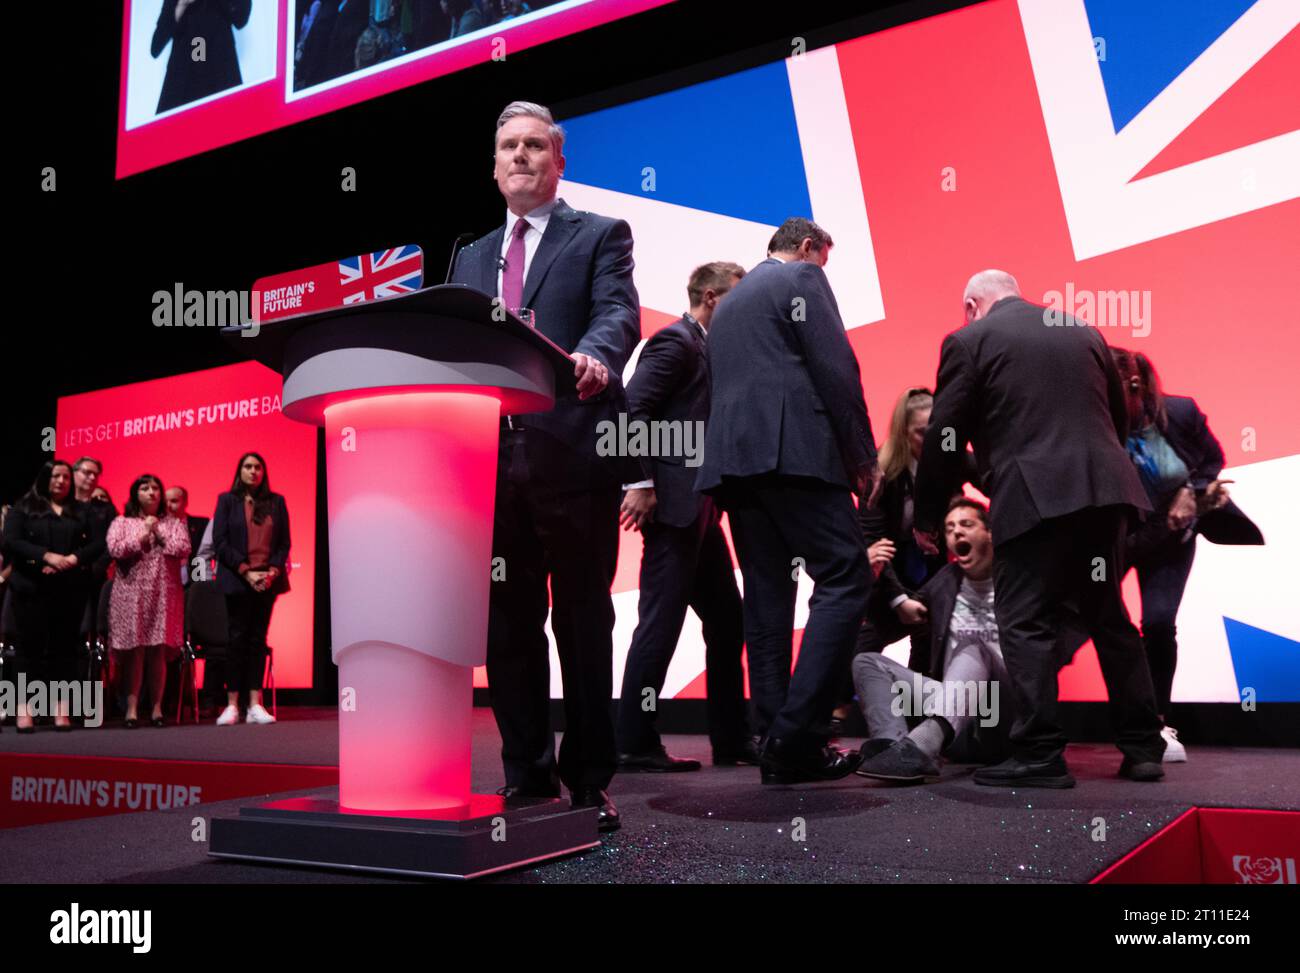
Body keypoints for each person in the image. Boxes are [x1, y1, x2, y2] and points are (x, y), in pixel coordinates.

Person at [448, 101, 640, 830]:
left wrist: (596, 355)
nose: (522, 156)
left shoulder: (599, 235)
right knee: (508, 623)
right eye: (509, 147)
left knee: (584, 619)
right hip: (489, 465)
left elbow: (617, 312)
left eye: (536, 145)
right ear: (494, 166)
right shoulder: (468, 256)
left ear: (560, 162)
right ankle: (526, 775)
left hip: (573, 450)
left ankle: (589, 778)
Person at [915, 270, 1165, 787]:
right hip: (1104, 491)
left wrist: (928, 515)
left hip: (1033, 499)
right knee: (1109, 618)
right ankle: (1143, 748)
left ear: (971, 304)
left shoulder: (969, 339)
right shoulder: (1082, 330)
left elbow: (943, 437)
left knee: (1024, 620)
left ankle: (1039, 754)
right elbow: (1117, 419)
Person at [696, 217, 882, 785]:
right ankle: (796, 732)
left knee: (768, 600)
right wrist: (862, 456)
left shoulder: (730, 302)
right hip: (795, 451)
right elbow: (835, 367)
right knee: (848, 576)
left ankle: (780, 743)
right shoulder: (800, 278)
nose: (822, 269)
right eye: (823, 258)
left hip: (736, 463)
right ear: (807, 248)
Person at [616, 261, 756, 772]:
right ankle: (631, 741)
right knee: (660, 622)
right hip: (672, 507)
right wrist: (640, 482)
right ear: (714, 298)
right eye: (738, 299)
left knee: (726, 620)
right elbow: (631, 409)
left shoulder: (706, 347)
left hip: (699, 509)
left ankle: (733, 740)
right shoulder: (675, 342)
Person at [1111, 348, 1263, 762]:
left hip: (1172, 535)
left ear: (1135, 386)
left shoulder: (1180, 413)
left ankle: (1158, 721)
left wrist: (1190, 492)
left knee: (1158, 622)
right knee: (1088, 621)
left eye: (1112, 386)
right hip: (1121, 536)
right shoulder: (1098, 420)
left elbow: (1213, 459)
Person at [1, 461, 105, 732]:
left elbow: (99, 543)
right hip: (30, 587)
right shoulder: (23, 507)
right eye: (56, 476)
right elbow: (11, 541)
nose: (62, 481)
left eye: (66, 477)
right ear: (45, 478)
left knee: (65, 651)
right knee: (28, 650)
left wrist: (72, 558)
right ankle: (25, 710)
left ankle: (62, 710)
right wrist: (45, 556)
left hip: (68, 588)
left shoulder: (81, 510)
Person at [211, 452, 291, 726]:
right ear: (240, 471)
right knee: (236, 640)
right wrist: (246, 571)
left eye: (258, 467)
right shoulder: (227, 501)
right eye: (248, 466)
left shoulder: (276, 501)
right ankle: (232, 705)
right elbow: (220, 543)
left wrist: (272, 571)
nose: (253, 471)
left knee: (257, 640)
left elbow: (284, 544)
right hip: (238, 579)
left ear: (263, 472)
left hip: (266, 582)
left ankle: (256, 704)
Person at [107, 475, 191, 728]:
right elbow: (116, 550)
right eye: (145, 488)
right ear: (136, 494)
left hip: (164, 594)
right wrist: (142, 535)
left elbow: (183, 549)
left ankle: (156, 709)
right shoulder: (121, 522)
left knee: (157, 651)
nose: (152, 493)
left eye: (156, 488)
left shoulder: (174, 523)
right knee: (135, 652)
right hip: (131, 593)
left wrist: (158, 532)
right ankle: (131, 709)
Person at [151, 0, 252, 114]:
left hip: (220, 78)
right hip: (183, 85)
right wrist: (181, 5)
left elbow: (241, 19)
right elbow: (155, 47)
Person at [166, 486, 211, 589]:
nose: (168, 505)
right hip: (168, 585)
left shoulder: (201, 524)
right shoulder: (158, 526)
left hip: (196, 582)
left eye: (174, 501)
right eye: (165, 502)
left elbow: (207, 554)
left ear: (185, 502)